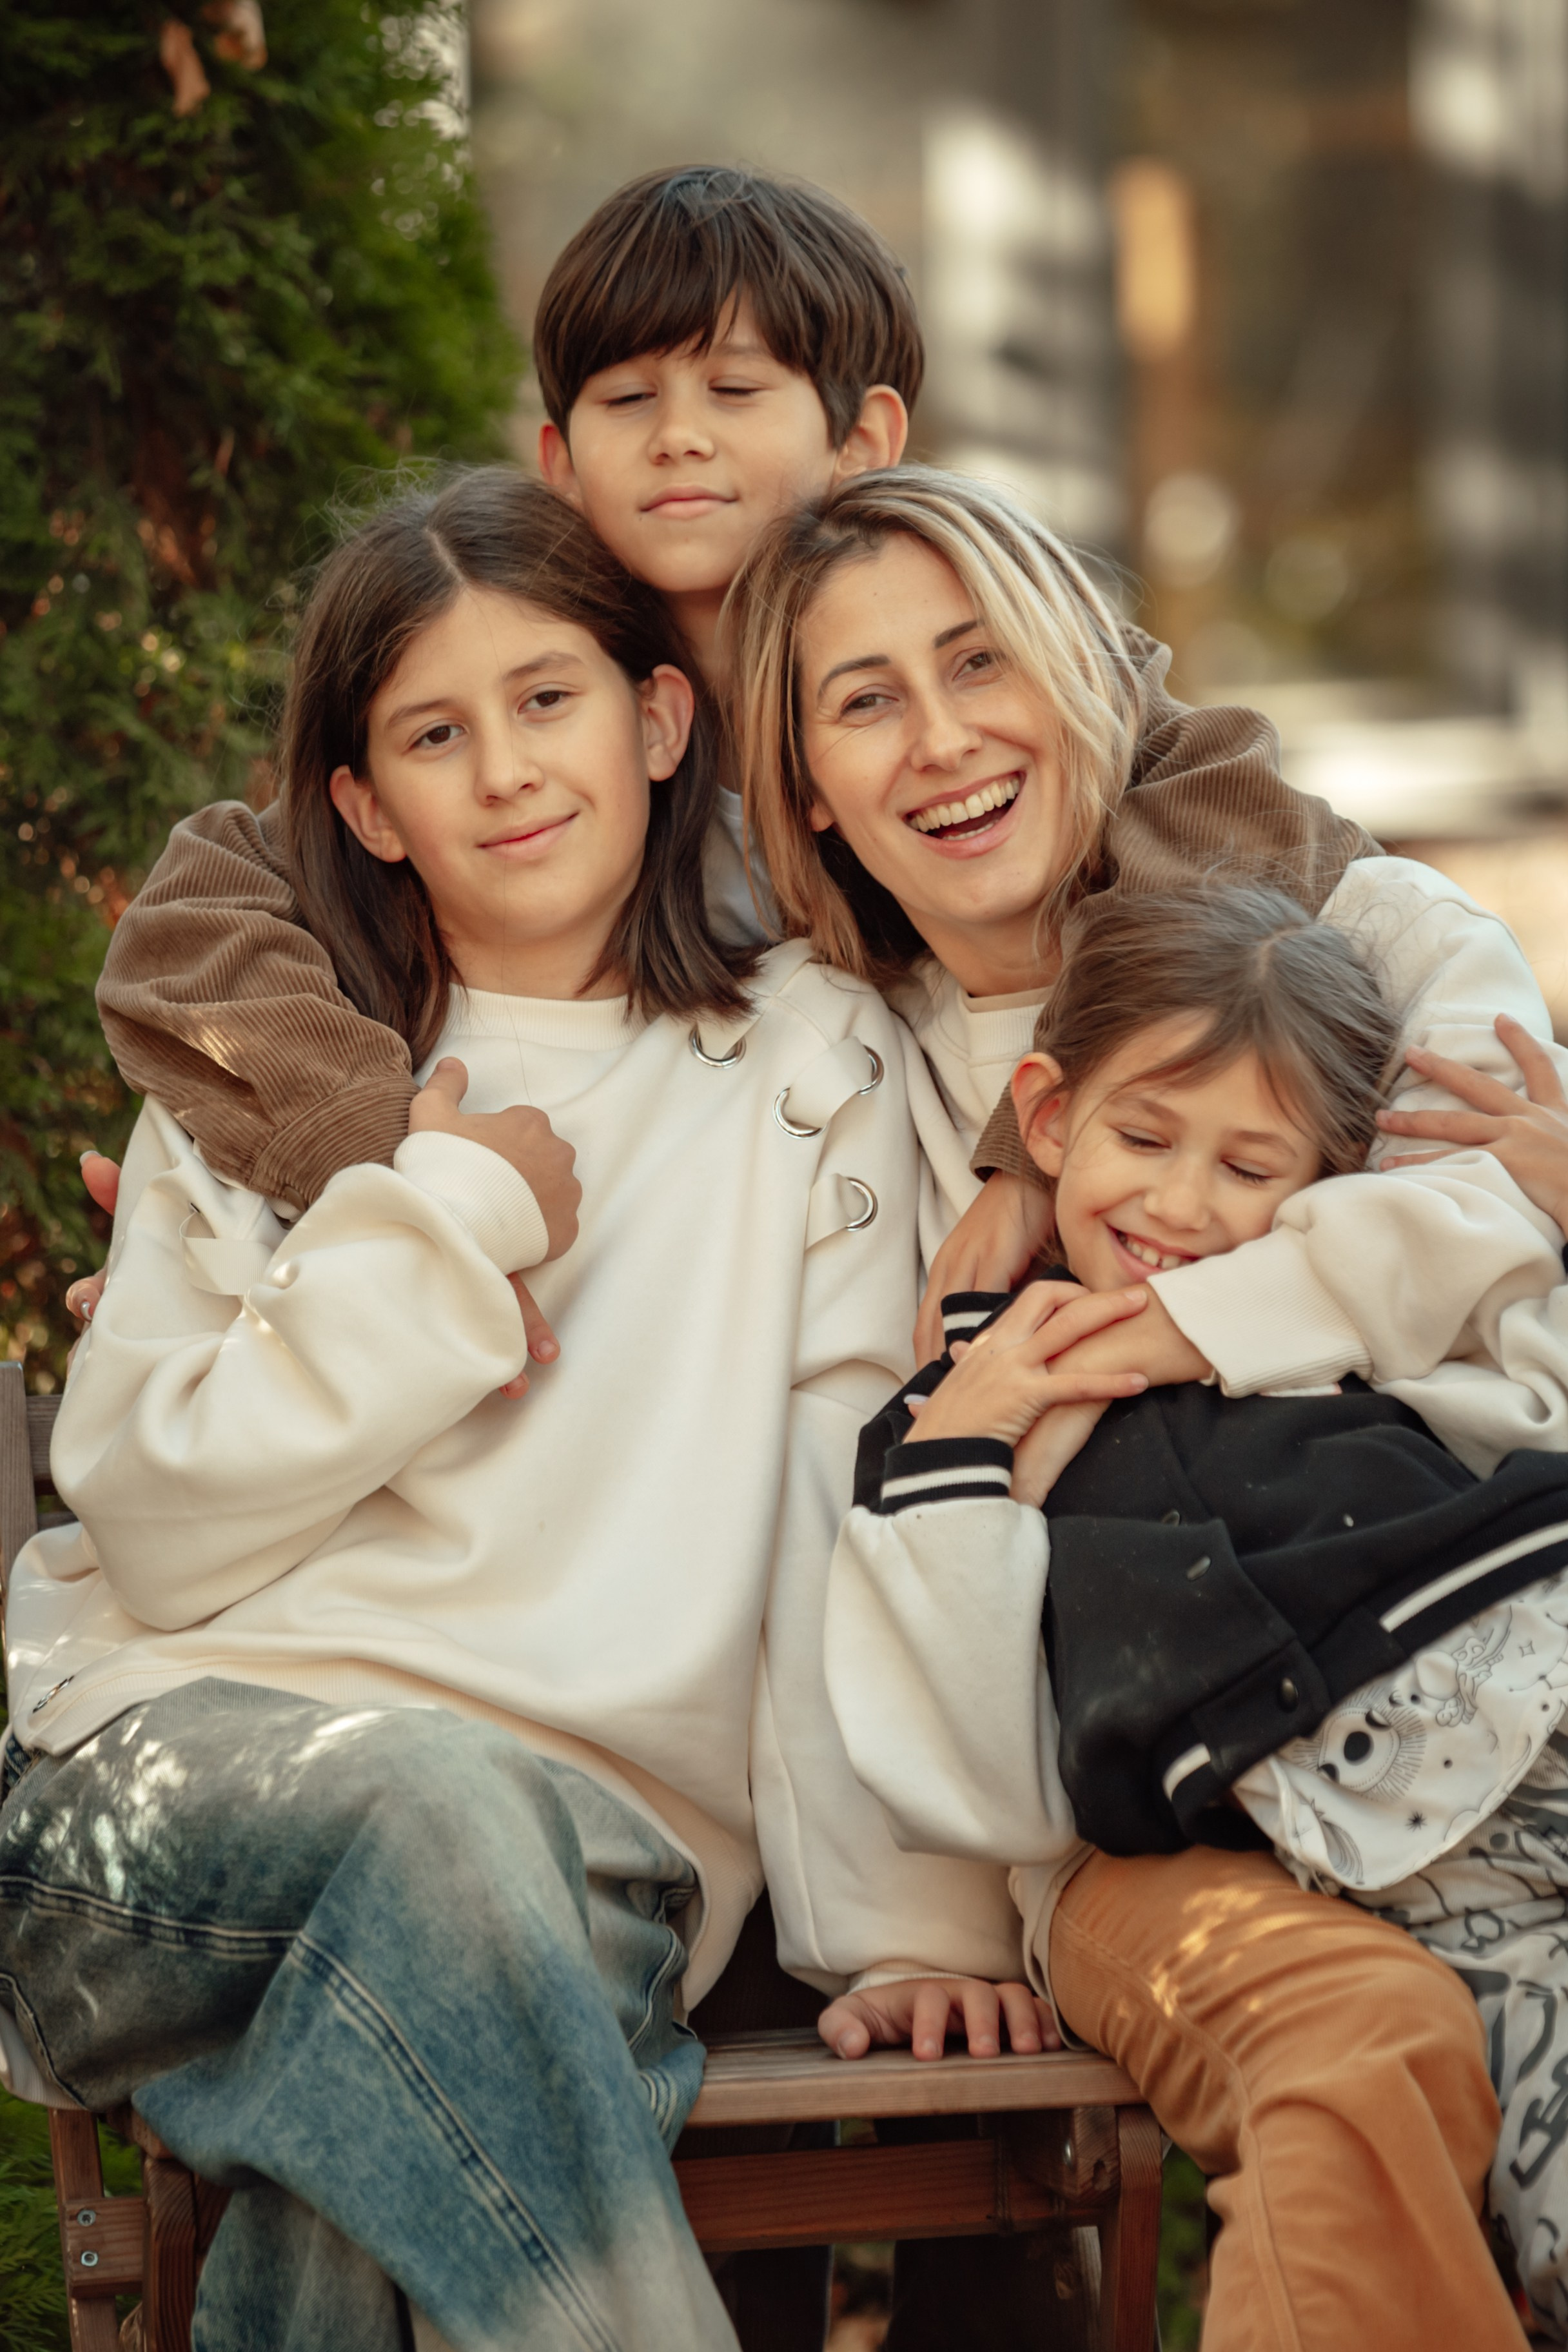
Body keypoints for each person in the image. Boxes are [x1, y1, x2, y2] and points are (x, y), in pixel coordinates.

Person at [1, 470, 1079, 2352]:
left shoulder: (806, 1064)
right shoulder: (289, 1074)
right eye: (433, 732)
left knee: (354, 2138)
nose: (503, 770)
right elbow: (151, 1517)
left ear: (663, 722)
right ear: (362, 807)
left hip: (580, 1870)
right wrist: (450, 1218)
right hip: (170, 1810)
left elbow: (847, 1487)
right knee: (431, 1817)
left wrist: (915, 1922)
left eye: (549, 701)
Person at [725, 463, 1568, 2350]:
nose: (942, 742)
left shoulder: (1374, 933)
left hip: (1496, 1700)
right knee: (1354, 2040)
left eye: (980, 661)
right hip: (1141, 1817)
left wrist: (1147, 1324)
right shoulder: (830, 1079)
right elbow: (838, 1497)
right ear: (809, 787)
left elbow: (1511, 1272)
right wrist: (910, 1938)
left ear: (1086, 674)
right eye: (863, 702)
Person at [823, 883, 1568, 2337]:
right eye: (1145, 1139)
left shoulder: (1346, 1313)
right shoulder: (975, 1412)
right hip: (1379, 1844)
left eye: (1248, 1166)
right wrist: (971, 1445)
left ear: (1326, 1182)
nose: (1178, 1206)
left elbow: (1534, 1405)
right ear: (1046, 1121)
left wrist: (1543, 1205)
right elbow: (972, 1771)